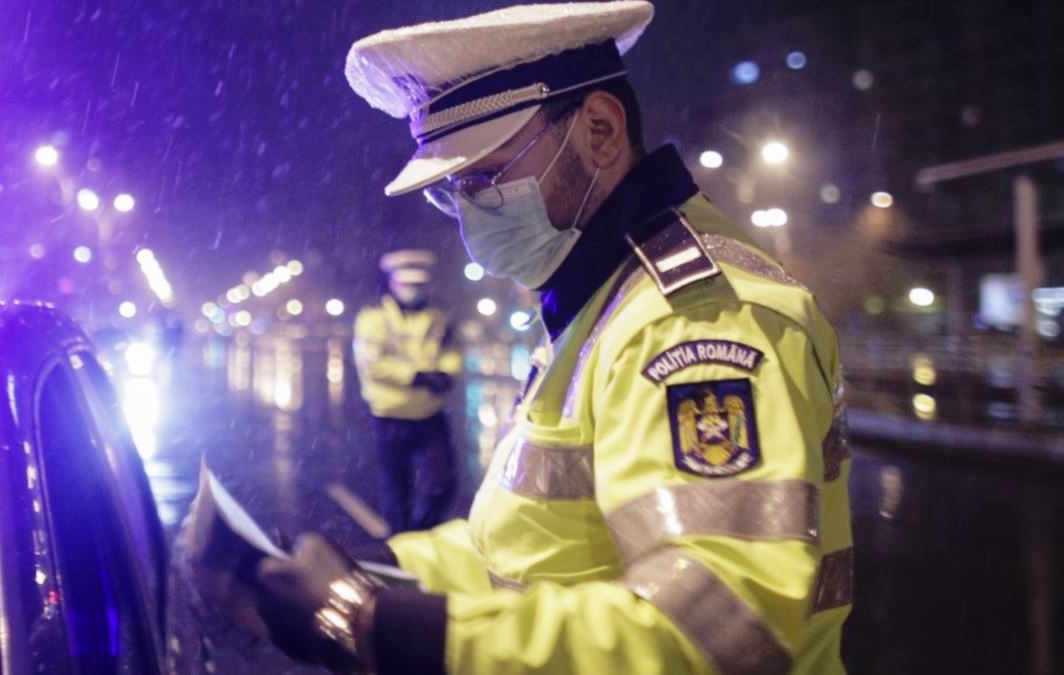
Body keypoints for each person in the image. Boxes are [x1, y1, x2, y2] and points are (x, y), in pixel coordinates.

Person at [244, 3, 854, 674]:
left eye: (483, 179)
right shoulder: (602, 298)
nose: (467, 217)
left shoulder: (693, 321)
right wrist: (373, 573)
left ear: (600, 131)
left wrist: (379, 623)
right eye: (451, 193)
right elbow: (528, 552)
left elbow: (720, 629)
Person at [352, 250, 461, 533]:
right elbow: (372, 363)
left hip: (430, 412)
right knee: (396, 488)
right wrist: (416, 377)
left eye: (419, 284)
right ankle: (401, 542)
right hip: (390, 414)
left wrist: (448, 373)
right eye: (407, 284)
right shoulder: (373, 317)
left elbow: (451, 350)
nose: (413, 290)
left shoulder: (439, 316)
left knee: (442, 484)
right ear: (392, 283)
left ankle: (420, 532)